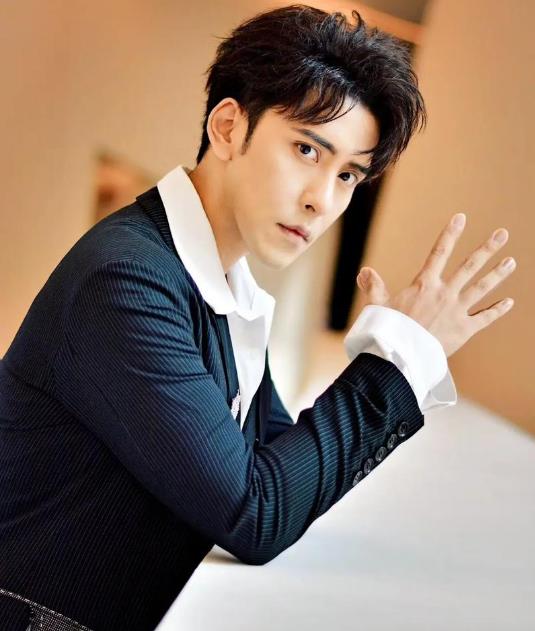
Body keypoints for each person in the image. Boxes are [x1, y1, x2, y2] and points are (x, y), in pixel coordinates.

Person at [0, 4, 516, 631]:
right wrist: (396, 363)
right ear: (227, 128)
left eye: (348, 175)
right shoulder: (127, 280)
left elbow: (278, 468)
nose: (322, 199)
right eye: (306, 149)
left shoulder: (223, 288)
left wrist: (386, 356)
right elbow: (257, 514)